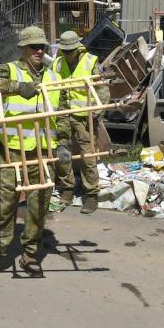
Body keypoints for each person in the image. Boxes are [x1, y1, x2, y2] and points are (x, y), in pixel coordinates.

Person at [0, 26, 70, 282]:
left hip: (42, 152)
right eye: (34, 47)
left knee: (39, 206)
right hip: (11, 151)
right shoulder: (10, 70)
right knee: (4, 205)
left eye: (42, 47)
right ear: (23, 49)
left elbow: (61, 114)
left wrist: (62, 143)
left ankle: (30, 253)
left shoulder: (53, 77)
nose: (39, 51)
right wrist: (19, 87)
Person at [51, 30, 109, 214]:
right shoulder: (58, 64)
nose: (68, 54)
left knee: (87, 155)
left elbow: (102, 90)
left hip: (84, 116)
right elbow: (51, 86)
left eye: (70, 50)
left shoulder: (90, 62)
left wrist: (96, 110)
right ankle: (67, 188)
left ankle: (91, 194)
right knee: (62, 152)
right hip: (62, 114)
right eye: (65, 51)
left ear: (78, 48)